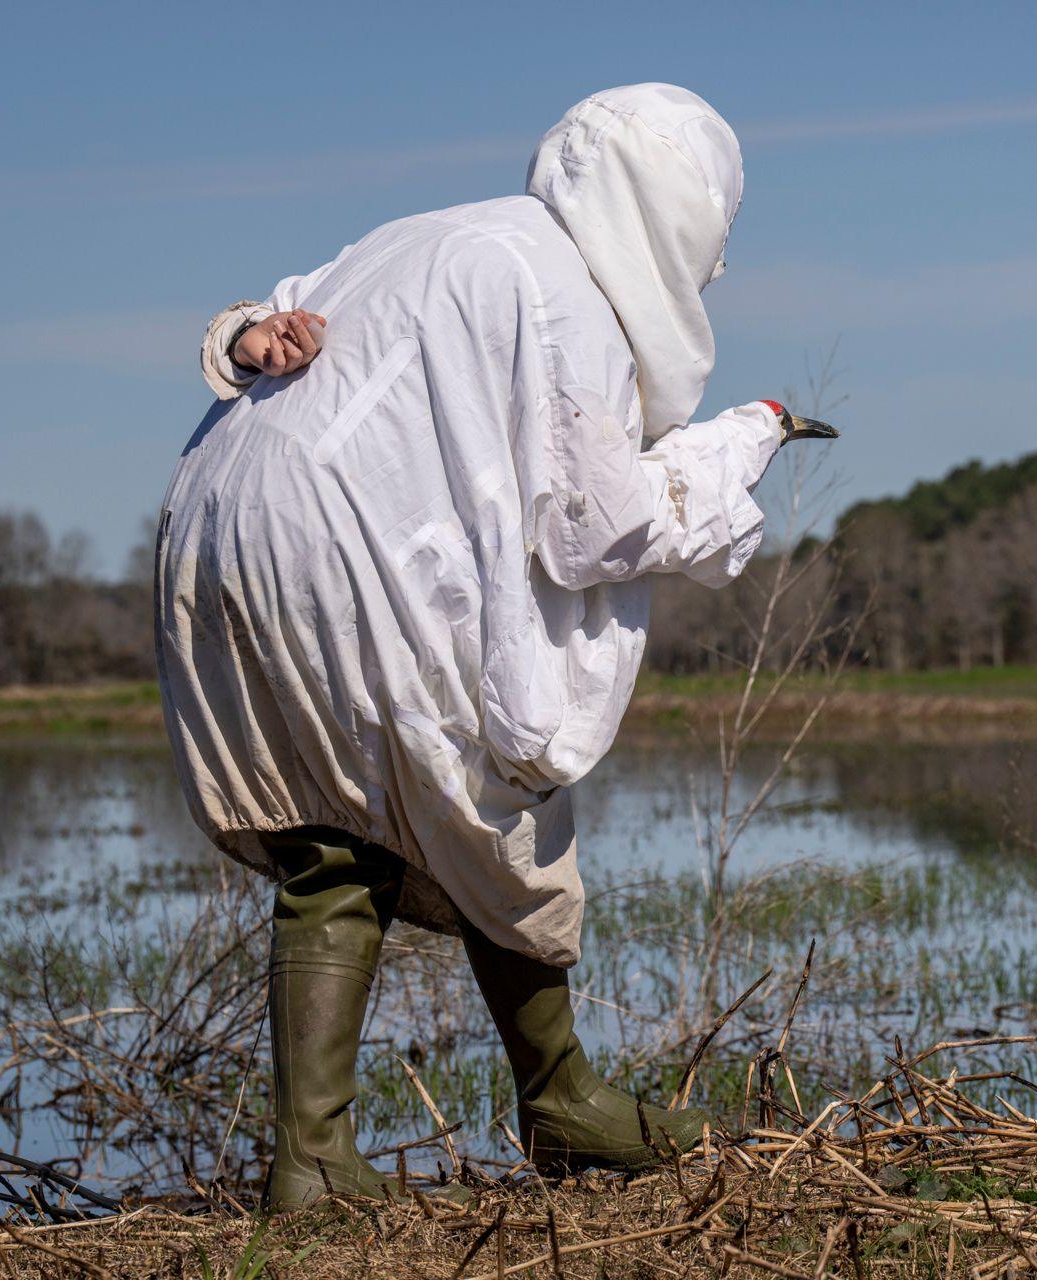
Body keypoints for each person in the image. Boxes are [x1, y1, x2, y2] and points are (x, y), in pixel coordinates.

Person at [158, 83, 833, 1209]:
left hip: (218, 524)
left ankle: (315, 1155)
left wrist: (238, 333)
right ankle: (557, 1098)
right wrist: (731, 454)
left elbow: (260, 323)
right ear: (680, 218)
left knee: (337, 835)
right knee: (496, 772)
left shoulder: (436, 233)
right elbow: (596, 523)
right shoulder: (562, 289)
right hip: (346, 544)